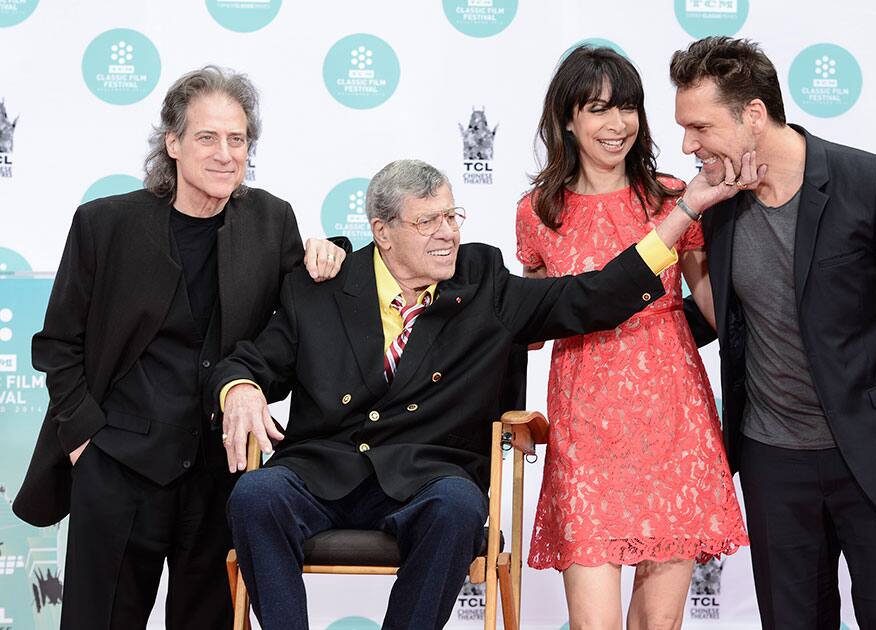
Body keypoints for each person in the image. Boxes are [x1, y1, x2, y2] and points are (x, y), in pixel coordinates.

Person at [214, 157, 747, 630]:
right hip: (322, 471)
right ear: (383, 232)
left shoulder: (484, 283)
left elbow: (592, 296)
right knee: (256, 496)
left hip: (427, 479)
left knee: (458, 506)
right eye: (427, 221)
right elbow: (252, 361)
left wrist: (684, 214)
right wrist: (239, 389)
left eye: (452, 216)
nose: (447, 233)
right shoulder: (324, 283)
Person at [13, 66, 348, 629]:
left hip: (221, 474)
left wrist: (331, 251)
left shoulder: (270, 221)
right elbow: (57, 344)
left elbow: (296, 328)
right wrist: (83, 442)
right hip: (117, 465)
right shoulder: (106, 224)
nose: (225, 154)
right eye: (207, 137)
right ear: (172, 143)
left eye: (238, 139)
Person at [669, 37, 876, 629]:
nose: (688, 145)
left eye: (699, 127)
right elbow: (728, 319)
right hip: (771, 463)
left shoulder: (875, 184)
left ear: (753, 115)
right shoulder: (721, 205)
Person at [515, 45, 747, 629]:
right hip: (585, 433)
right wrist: (507, 408)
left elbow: (713, 307)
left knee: (657, 625)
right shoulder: (539, 211)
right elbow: (529, 325)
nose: (615, 125)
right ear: (567, 118)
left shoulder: (671, 196)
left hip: (674, 428)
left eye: (627, 108)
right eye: (597, 109)